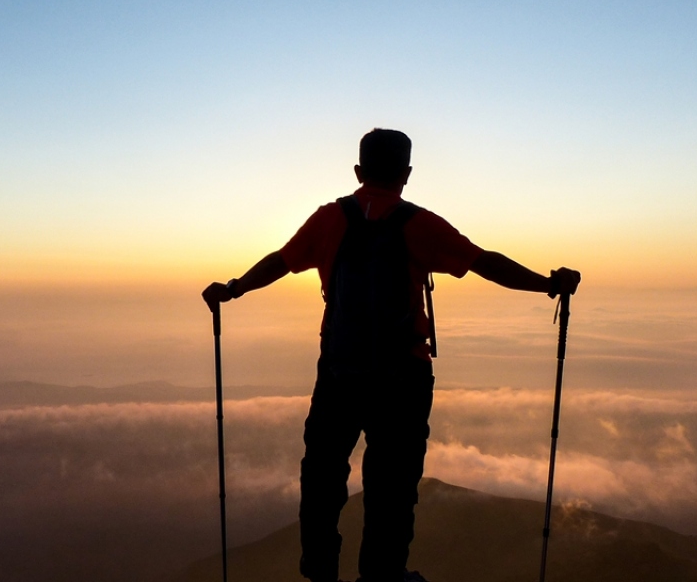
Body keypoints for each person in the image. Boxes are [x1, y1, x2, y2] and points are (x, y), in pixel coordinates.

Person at [202, 129, 580, 582]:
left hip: (339, 373)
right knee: (392, 487)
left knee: (322, 477)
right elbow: (486, 262)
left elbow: (280, 261)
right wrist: (548, 284)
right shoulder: (418, 224)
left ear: (358, 171)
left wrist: (234, 288)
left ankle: (320, 571)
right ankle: (382, 576)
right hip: (403, 377)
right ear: (407, 173)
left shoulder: (328, 219)